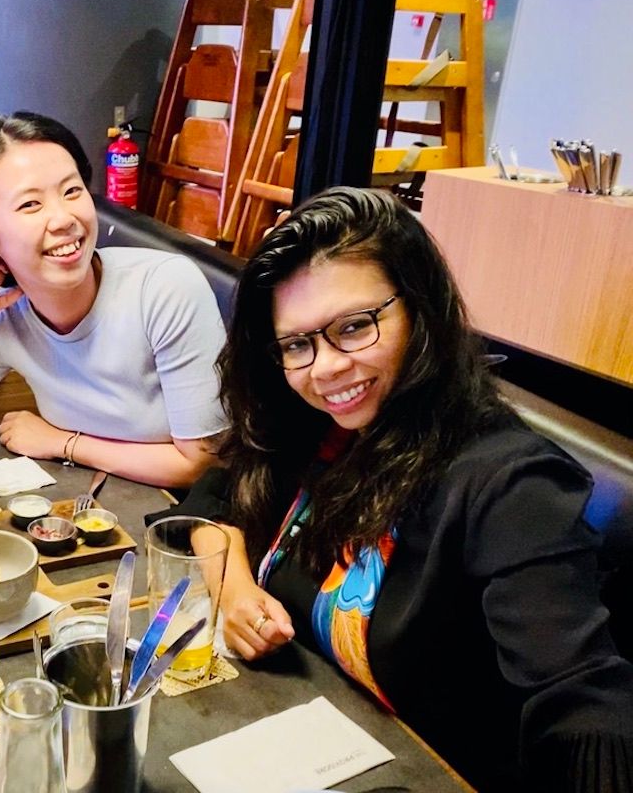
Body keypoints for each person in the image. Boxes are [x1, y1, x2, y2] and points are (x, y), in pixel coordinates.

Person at [208, 187, 633, 791]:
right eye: (297, 344)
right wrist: (233, 588)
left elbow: (582, 697)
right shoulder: (325, 425)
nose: (326, 367)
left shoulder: (511, 482)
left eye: (355, 326)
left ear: (421, 309)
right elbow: (214, 497)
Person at [0, 111, 225, 489]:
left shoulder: (164, 289)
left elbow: (200, 463)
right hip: (96, 506)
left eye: (72, 191)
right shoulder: (2, 319)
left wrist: (63, 443)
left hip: (187, 516)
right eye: (31, 204)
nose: (63, 219)